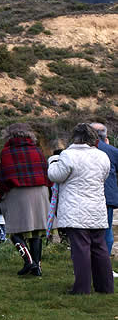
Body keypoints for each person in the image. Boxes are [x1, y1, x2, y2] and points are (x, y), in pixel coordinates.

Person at [47, 123, 113, 294]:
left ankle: (82, 288)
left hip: (75, 210)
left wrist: (53, 160)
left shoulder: (68, 155)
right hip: (97, 209)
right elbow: (104, 176)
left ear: (74, 137)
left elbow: (55, 175)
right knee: (100, 249)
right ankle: (105, 287)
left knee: (81, 250)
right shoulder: (102, 156)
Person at [0, 122, 51, 277]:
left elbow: (4, 176)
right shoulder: (36, 149)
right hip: (40, 191)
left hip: (17, 193)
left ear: (9, 135)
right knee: (36, 230)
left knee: (14, 229)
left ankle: (28, 261)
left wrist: (1, 195)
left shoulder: (7, 152)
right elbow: (45, 170)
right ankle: (37, 268)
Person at [90, 122, 118, 277]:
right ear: (105, 136)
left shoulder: (78, 151)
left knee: (86, 233)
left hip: (86, 196)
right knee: (106, 232)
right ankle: (105, 268)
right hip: (107, 196)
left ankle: (86, 266)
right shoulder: (112, 151)